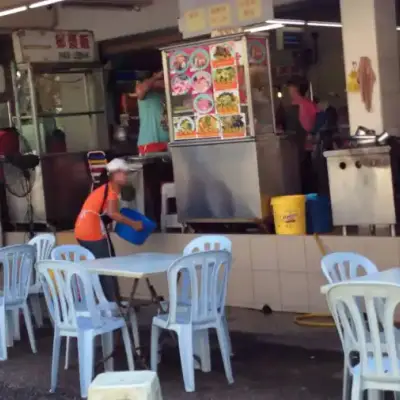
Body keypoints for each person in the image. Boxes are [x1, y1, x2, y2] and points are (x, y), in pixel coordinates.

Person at [74, 158, 143, 303]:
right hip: (92, 231)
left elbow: (104, 212)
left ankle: (105, 301)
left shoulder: (106, 189)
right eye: (123, 173)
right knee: (108, 266)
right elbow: (113, 213)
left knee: (100, 264)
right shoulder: (111, 190)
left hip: (82, 229)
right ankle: (112, 303)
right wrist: (133, 224)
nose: (125, 176)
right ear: (114, 174)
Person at [286, 76, 319, 193]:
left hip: (301, 147)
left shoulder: (301, 105)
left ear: (295, 88)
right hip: (306, 147)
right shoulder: (309, 104)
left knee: (304, 180)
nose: (288, 90)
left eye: (290, 87)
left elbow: (307, 126)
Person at [135, 71, 169, 155]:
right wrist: (156, 77)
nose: (164, 82)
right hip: (149, 144)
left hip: (168, 143)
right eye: (161, 79)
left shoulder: (166, 94)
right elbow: (139, 90)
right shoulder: (145, 92)